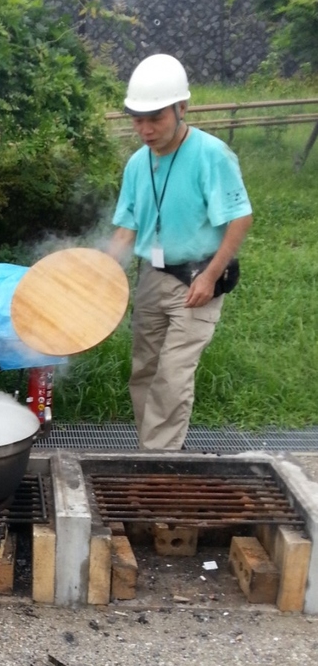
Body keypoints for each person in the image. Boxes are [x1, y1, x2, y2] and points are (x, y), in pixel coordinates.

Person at [107, 54, 253, 450]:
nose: (146, 129)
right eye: (137, 119)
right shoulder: (137, 164)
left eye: (155, 118)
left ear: (181, 108)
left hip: (197, 278)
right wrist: (98, 275)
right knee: (145, 370)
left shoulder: (211, 154)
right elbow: (126, 228)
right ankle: (152, 449)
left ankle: (159, 464)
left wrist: (209, 277)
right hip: (152, 276)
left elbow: (240, 218)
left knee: (172, 376)